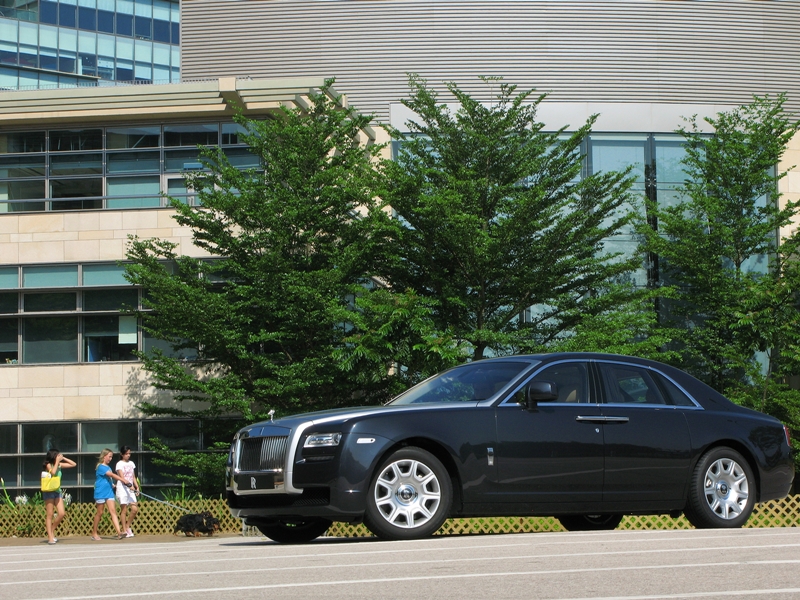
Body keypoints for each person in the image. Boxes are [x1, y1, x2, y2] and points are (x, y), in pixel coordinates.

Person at [91, 448, 133, 541]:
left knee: (113, 511)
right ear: (104, 456)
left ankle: (119, 533)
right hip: (100, 492)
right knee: (100, 513)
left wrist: (113, 484)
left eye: (111, 457)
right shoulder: (101, 467)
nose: (110, 459)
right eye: (109, 456)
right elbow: (112, 475)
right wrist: (123, 480)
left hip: (109, 492)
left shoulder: (108, 467)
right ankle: (94, 532)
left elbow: (109, 479)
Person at [41, 449, 76, 545]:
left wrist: (63, 458)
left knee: (62, 513)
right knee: (50, 514)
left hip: (57, 491)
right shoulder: (48, 464)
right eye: (57, 455)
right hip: (49, 491)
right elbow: (53, 472)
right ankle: (50, 537)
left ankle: (51, 530)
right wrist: (57, 462)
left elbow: (73, 464)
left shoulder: (59, 464)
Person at [115, 446, 140, 538]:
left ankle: (127, 526)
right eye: (126, 454)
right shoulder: (119, 464)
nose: (128, 455)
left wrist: (137, 486)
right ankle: (124, 530)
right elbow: (122, 478)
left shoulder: (131, 463)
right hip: (122, 488)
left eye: (129, 453)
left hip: (131, 489)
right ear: (122, 454)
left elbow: (133, 476)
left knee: (134, 509)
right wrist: (129, 485)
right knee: (124, 510)